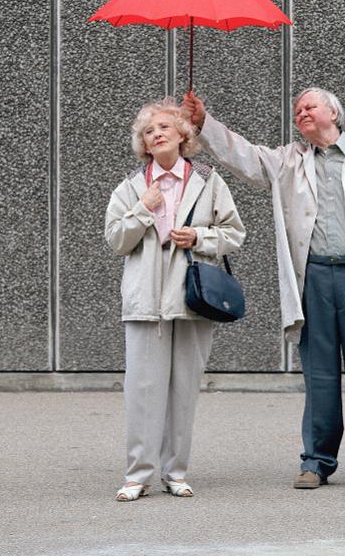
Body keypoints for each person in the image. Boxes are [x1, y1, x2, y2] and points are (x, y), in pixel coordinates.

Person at [182, 88, 345, 490]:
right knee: (320, 375)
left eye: (310, 106)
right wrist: (204, 124)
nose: (302, 113)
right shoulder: (289, 160)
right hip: (314, 280)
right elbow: (245, 157)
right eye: (297, 110)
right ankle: (317, 461)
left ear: (334, 112)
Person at [105, 96, 246, 502]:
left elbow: (234, 233)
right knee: (143, 390)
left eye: (164, 127)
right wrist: (143, 210)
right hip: (145, 301)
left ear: (182, 135)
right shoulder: (131, 187)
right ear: (144, 145)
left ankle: (176, 471)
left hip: (191, 299)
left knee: (185, 388)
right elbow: (116, 240)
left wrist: (200, 237)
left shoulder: (207, 181)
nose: (156, 134)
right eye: (149, 132)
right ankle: (138, 474)